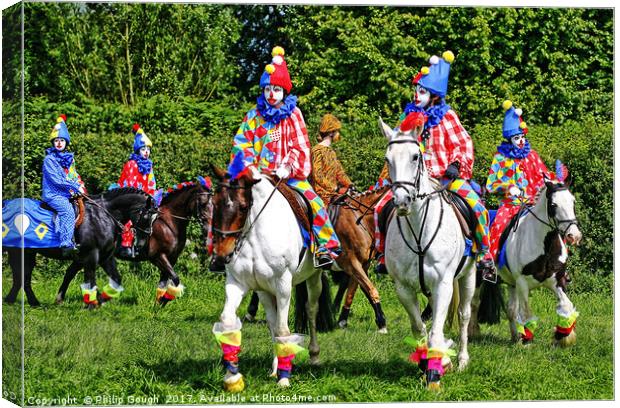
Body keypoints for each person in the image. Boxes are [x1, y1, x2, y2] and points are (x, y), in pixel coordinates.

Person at [373, 51, 496, 279]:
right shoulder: (407, 119)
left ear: (434, 95)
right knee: (380, 208)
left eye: (422, 91)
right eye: (416, 90)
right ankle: (382, 255)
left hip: (446, 178)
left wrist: (456, 165)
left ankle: (484, 254)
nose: (417, 95)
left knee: (477, 206)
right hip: (413, 181)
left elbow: (463, 143)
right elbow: (397, 147)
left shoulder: (447, 116)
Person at [231, 46, 341, 268]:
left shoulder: (294, 115)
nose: (272, 94)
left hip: (288, 177)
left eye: (277, 90)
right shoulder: (253, 116)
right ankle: (225, 249)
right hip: (257, 176)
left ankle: (324, 248)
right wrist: (250, 167)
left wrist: (288, 166)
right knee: (229, 202)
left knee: (315, 202)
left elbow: (300, 146)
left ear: (284, 92)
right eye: (268, 89)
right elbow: (241, 143)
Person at [485, 100, 551, 263]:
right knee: (498, 226)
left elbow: (545, 175)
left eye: (522, 137)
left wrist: (555, 182)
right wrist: (508, 187)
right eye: (516, 137)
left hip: (533, 204)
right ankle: (489, 264)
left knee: (556, 223)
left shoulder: (532, 155)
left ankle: (558, 267)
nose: (521, 141)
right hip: (510, 205)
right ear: (510, 139)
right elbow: (490, 185)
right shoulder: (500, 158)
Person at [42, 114, 86, 257]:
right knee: (67, 210)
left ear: (66, 142)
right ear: (53, 143)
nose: (59, 143)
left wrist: (80, 186)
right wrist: (74, 187)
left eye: (62, 140)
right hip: (53, 194)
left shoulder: (68, 159)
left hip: (67, 192)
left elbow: (73, 175)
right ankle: (65, 243)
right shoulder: (49, 159)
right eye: (56, 140)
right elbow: (57, 181)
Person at [116, 123, 157, 258]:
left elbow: (151, 184)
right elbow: (131, 185)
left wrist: (151, 198)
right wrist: (140, 199)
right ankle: (125, 246)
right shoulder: (131, 164)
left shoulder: (149, 165)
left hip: (143, 198)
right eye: (143, 149)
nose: (146, 151)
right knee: (130, 218)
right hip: (128, 197)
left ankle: (145, 246)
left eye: (148, 149)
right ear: (138, 150)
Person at [310, 113, 354, 204]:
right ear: (330, 133)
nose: (338, 134)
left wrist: (349, 185)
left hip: (333, 194)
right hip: (321, 195)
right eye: (337, 131)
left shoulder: (331, 152)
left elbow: (339, 172)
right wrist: (335, 188)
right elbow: (317, 175)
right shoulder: (317, 150)